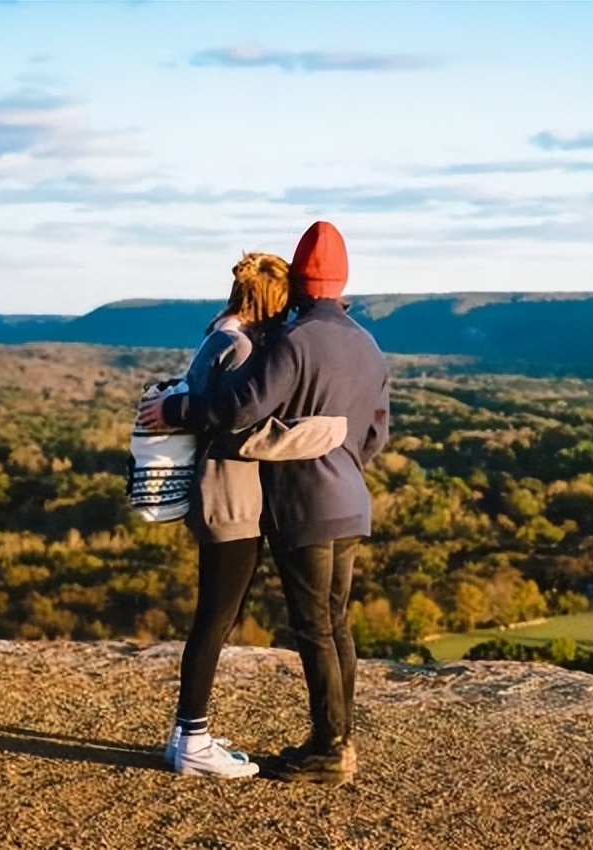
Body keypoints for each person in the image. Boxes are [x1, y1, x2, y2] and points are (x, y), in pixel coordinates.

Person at [141, 221, 390, 785]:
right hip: (350, 498)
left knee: (315, 629)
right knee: (337, 626)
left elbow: (238, 407)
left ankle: (329, 751)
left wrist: (177, 412)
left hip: (304, 503)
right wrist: (344, 464)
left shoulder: (295, 341)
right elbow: (377, 433)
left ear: (301, 282)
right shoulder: (368, 345)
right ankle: (338, 740)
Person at [154, 252, 289, 779]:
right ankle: (193, 738)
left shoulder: (218, 334)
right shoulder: (242, 346)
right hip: (229, 497)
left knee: (216, 614)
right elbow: (237, 420)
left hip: (213, 493)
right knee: (216, 618)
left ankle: (186, 734)